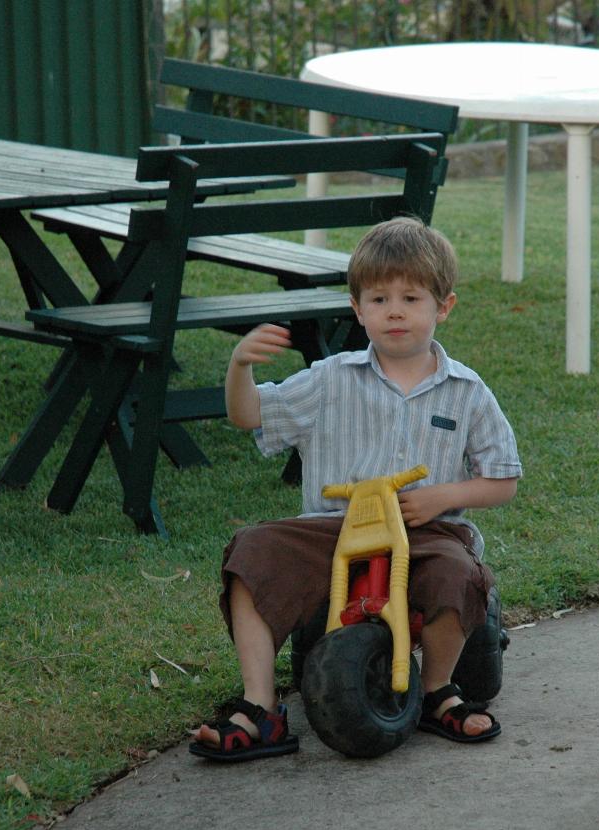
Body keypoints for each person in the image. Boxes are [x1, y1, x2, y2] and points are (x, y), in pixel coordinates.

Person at [190, 217, 522, 762]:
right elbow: (248, 414)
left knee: (459, 573)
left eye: (411, 297)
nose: (395, 310)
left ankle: (439, 690)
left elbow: (503, 479)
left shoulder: (467, 392)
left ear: (443, 307)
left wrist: (442, 497)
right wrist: (239, 365)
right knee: (251, 553)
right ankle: (260, 707)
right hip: (333, 528)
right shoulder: (329, 379)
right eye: (379, 297)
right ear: (357, 307)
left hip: (424, 529)